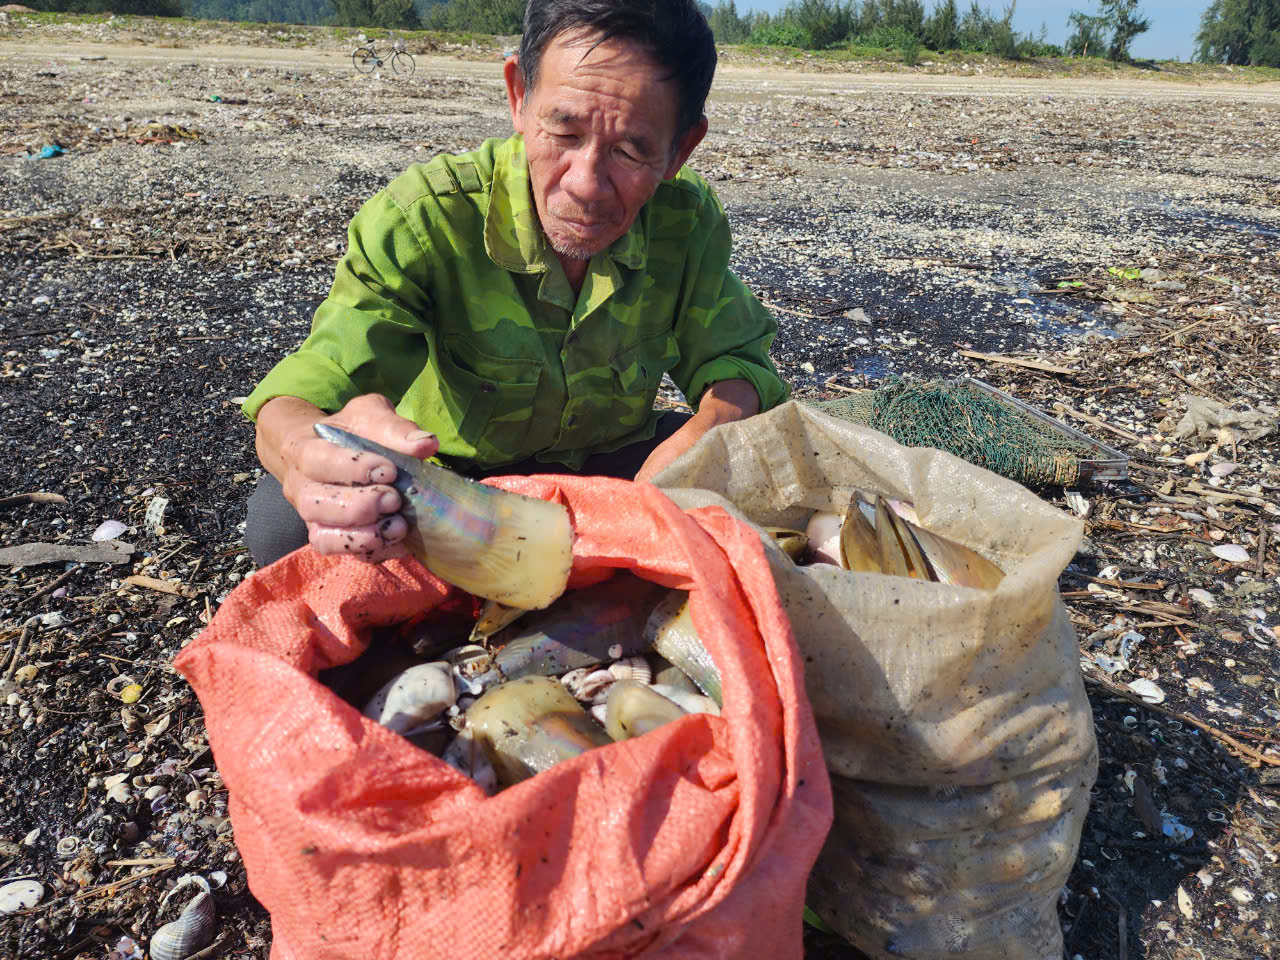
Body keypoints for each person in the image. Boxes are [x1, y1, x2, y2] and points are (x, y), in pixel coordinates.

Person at [242, 0, 789, 568]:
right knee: (285, 528)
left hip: (613, 464)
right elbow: (308, 389)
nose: (585, 185)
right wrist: (306, 448)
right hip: (453, 480)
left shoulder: (686, 221)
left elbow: (736, 359)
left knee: (759, 476)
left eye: (630, 151)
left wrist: (715, 423)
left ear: (681, 149)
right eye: (564, 129)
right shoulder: (425, 220)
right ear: (518, 96)